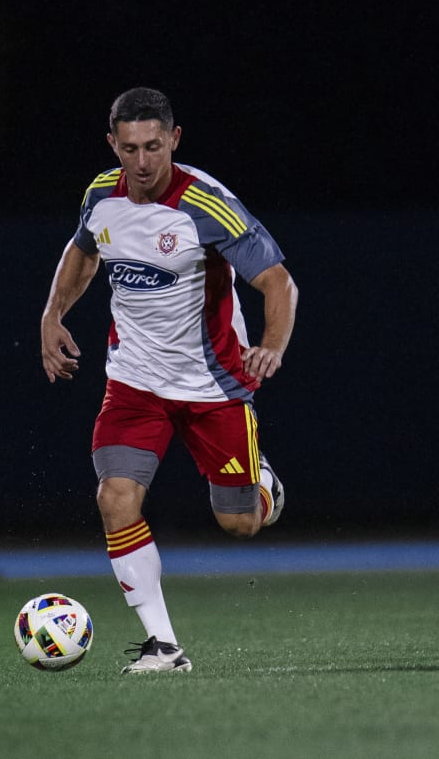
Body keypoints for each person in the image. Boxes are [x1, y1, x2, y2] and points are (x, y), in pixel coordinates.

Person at [40, 87, 299, 673]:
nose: (142, 161)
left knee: (238, 524)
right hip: (133, 382)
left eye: (154, 146)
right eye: (129, 148)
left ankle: (262, 485)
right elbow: (82, 252)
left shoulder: (207, 205)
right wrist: (52, 316)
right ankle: (164, 646)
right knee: (115, 498)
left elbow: (279, 282)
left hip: (214, 387)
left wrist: (272, 346)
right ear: (113, 144)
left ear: (174, 140)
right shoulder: (100, 195)